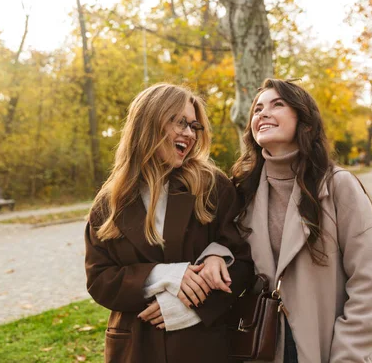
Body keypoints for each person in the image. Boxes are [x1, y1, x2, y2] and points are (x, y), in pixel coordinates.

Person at [85, 83, 253, 363]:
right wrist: (164, 275)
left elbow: (243, 263)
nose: (188, 133)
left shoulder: (212, 186)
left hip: (202, 345)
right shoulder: (109, 202)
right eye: (179, 122)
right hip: (135, 348)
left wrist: (189, 309)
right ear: (148, 123)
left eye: (193, 126)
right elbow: (100, 280)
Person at [231, 79, 372, 363]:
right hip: (263, 345)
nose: (263, 113)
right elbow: (221, 244)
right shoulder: (242, 190)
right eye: (257, 109)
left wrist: (348, 354)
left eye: (277, 104)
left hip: (326, 348)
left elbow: (369, 282)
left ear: (304, 121)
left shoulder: (339, 186)